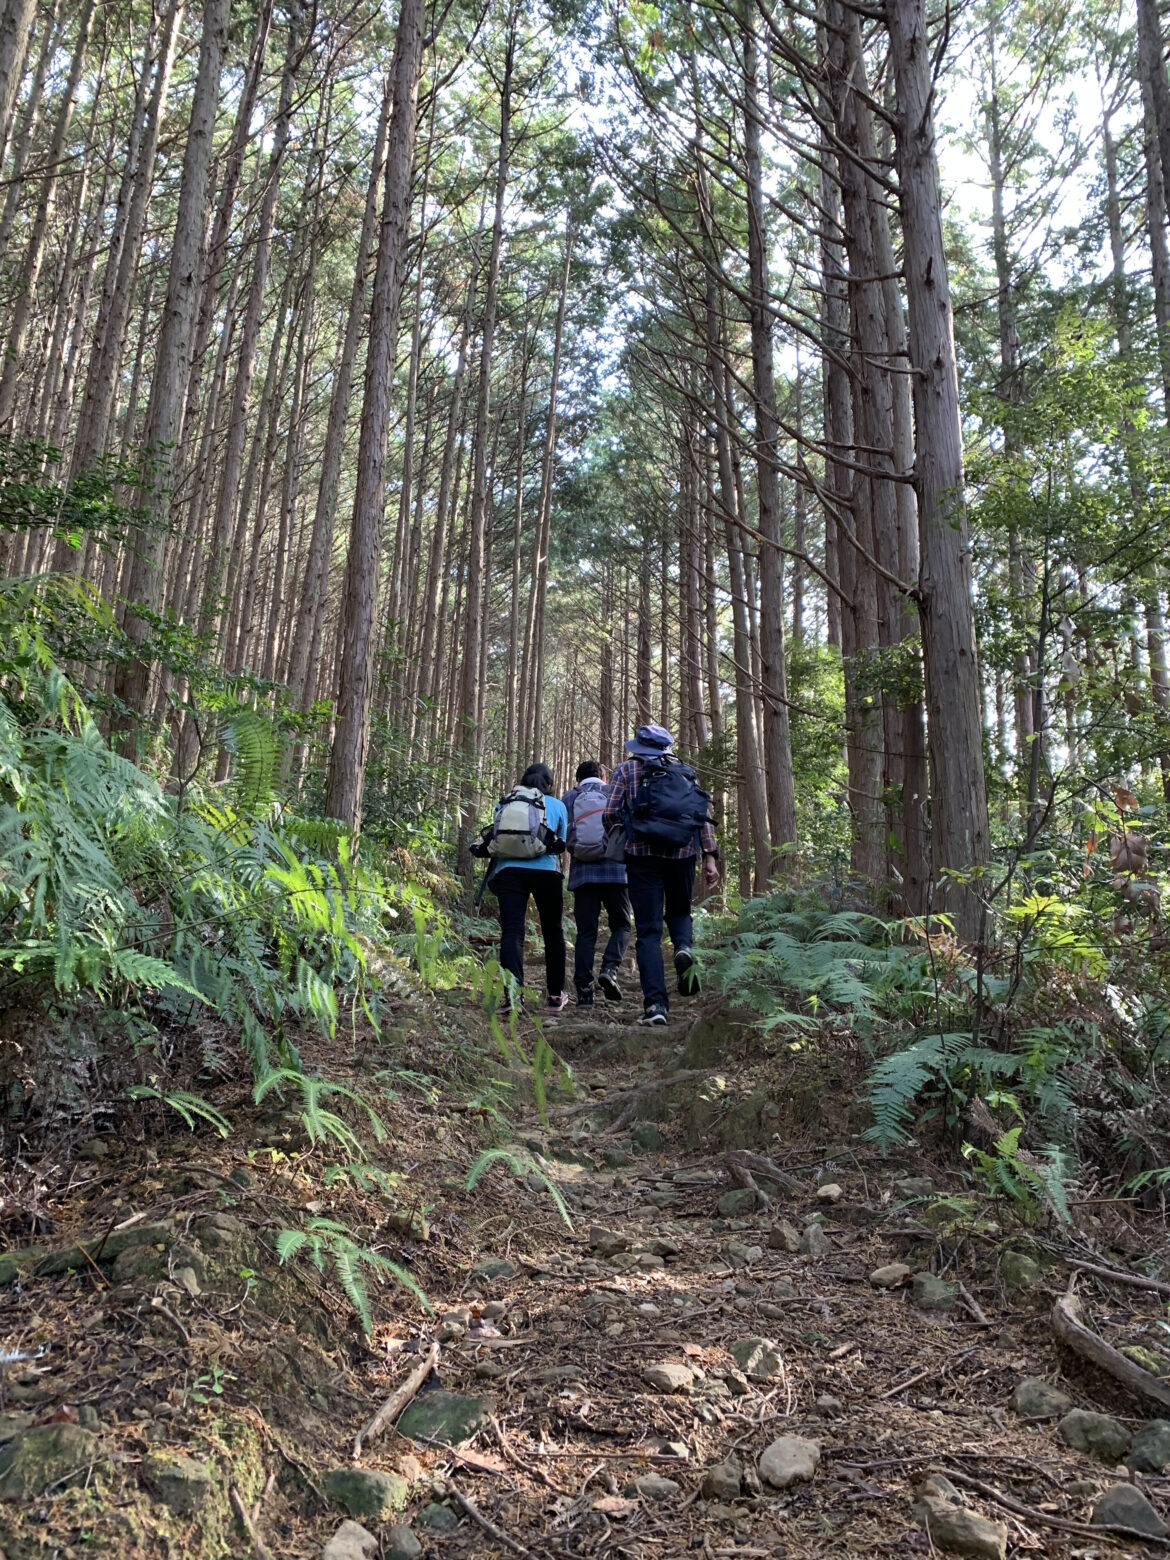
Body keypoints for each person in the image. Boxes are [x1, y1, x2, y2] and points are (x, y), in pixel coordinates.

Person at [603, 724, 720, 1026]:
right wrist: (709, 857)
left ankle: (656, 1005)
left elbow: (611, 813)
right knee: (680, 912)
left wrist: (626, 831)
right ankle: (683, 949)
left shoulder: (626, 770)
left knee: (649, 932)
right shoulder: (686, 771)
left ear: (640, 747)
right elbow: (702, 819)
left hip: (642, 857)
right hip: (683, 855)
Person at [487, 762, 570, 1013]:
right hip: (547, 871)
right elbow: (562, 842)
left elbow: (497, 839)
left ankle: (513, 997)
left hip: (508, 872)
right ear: (548, 784)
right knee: (553, 932)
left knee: (512, 932)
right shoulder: (557, 805)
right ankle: (555, 996)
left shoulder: (505, 802)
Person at [562, 760, 632, 1007]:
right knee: (622, 925)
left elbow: (563, 834)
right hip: (616, 871)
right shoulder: (614, 792)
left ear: (578, 778)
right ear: (603, 775)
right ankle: (610, 969)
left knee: (586, 933)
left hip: (583, 875)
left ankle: (584, 993)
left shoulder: (569, 797)